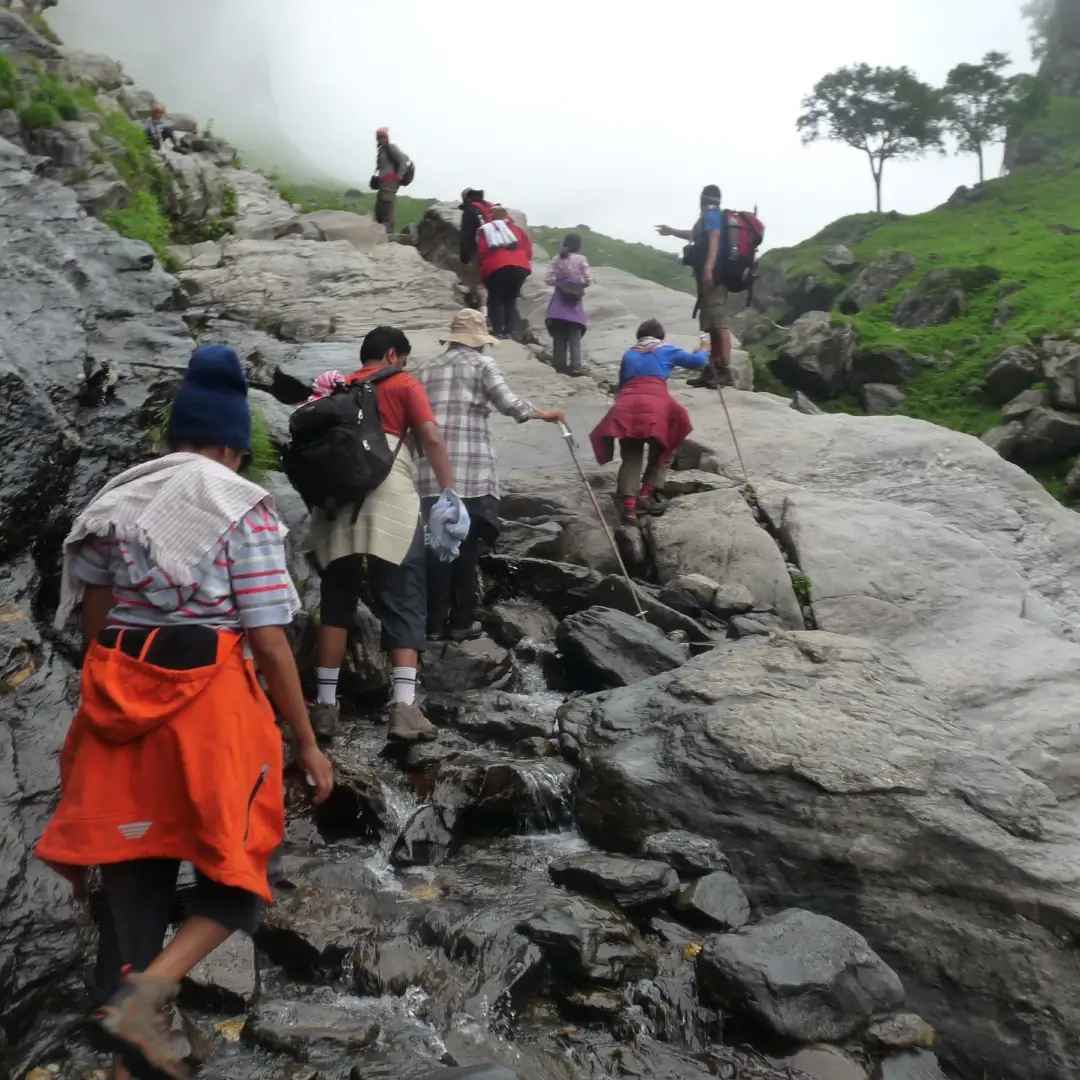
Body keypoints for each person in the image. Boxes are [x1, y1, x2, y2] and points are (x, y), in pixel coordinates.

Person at [33, 345, 334, 1080]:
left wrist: (122, 697)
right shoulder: (241, 508)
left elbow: (96, 623)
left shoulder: (117, 500)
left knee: (132, 885)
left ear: (174, 438)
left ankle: (127, 1040)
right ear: (234, 443)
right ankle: (153, 994)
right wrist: (306, 739)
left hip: (119, 708)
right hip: (208, 711)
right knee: (237, 878)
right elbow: (266, 637)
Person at [308, 326, 457, 743]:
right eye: (404, 358)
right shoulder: (403, 382)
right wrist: (449, 492)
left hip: (335, 504)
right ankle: (403, 708)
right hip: (389, 497)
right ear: (393, 355)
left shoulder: (334, 390)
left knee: (335, 602)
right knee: (405, 595)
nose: (404, 365)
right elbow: (429, 436)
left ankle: (324, 708)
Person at [415, 309, 566, 640]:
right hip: (472, 475)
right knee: (466, 550)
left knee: (436, 549)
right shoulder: (482, 365)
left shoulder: (426, 369)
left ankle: (433, 625)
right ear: (479, 342)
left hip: (431, 476)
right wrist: (544, 414)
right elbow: (510, 404)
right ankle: (461, 622)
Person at [590, 319, 709, 527]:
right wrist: (705, 349)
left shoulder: (629, 354)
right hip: (656, 404)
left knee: (631, 454)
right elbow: (698, 363)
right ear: (660, 336)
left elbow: (623, 383)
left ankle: (628, 507)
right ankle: (645, 494)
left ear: (640, 336)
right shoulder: (666, 349)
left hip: (626, 404)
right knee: (668, 445)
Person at [656, 184, 733, 389]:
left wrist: (708, 267)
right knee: (711, 325)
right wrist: (672, 231)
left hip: (715, 276)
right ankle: (713, 369)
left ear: (703, 199)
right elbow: (696, 235)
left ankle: (724, 371)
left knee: (719, 324)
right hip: (709, 277)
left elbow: (714, 238)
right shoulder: (708, 217)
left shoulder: (711, 215)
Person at [477, 206, 533, 340]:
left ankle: (497, 330)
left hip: (497, 265)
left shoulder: (487, 229)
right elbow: (528, 249)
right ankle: (509, 331)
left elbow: (482, 251)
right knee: (511, 298)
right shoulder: (516, 229)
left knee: (495, 297)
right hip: (520, 266)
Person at [545, 232, 592, 376]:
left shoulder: (557, 259)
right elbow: (588, 279)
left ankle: (559, 366)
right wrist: (578, 284)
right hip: (575, 305)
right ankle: (576, 367)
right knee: (574, 339)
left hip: (558, 304)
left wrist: (560, 282)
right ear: (578, 245)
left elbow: (548, 279)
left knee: (559, 337)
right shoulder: (581, 259)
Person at [459, 187, 494, 319]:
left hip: (479, 251)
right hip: (496, 251)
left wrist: (464, 256)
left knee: (480, 284)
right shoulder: (490, 209)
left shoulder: (470, 211)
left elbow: (466, 235)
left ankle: (483, 317)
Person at [371, 127, 413, 234]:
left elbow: (403, 161)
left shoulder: (391, 148)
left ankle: (388, 237)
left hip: (390, 184)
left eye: (383, 136)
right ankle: (381, 236)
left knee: (387, 211)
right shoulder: (381, 151)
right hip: (382, 185)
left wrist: (398, 178)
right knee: (379, 211)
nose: (381, 139)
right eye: (379, 137)